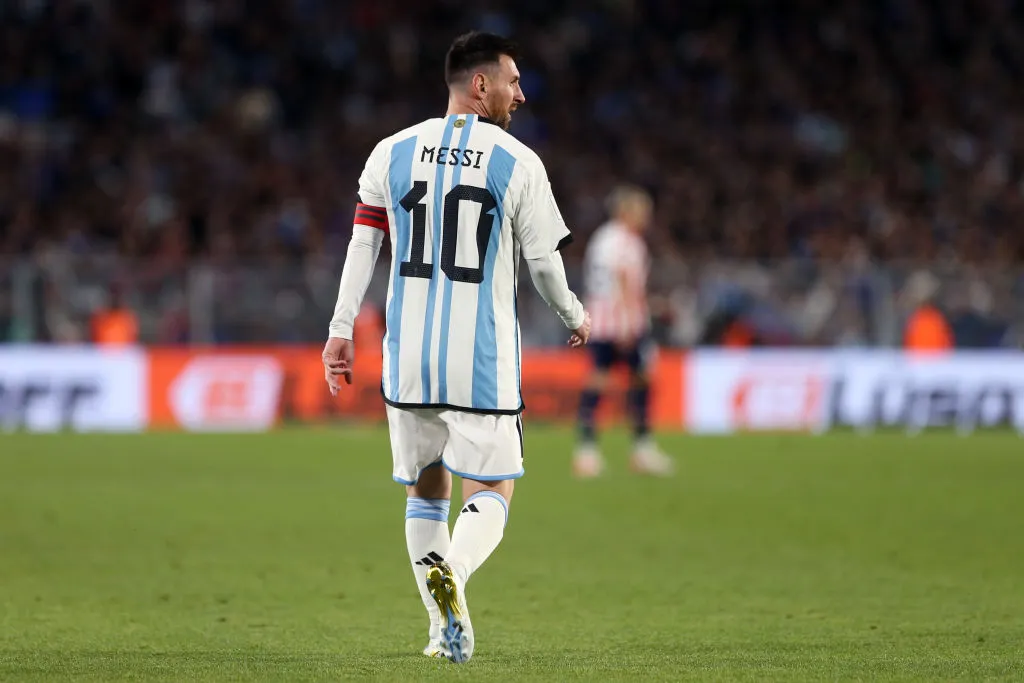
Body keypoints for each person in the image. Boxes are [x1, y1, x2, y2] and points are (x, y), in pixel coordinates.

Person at [321, 31, 591, 664]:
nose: (520, 95)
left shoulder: (390, 151)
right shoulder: (518, 162)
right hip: (480, 359)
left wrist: (339, 329)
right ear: (480, 84)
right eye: (513, 82)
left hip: (407, 356)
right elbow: (543, 265)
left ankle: (442, 631)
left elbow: (364, 244)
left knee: (424, 492)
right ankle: (456, 571)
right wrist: (575, 315)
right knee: (493, 487)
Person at [573, 185, 674, 477]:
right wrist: (629, 323)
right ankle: (642, 449)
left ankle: (586, 451)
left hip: (599, 318)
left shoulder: (601, 238)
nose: (646, 217)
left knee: (599, 377)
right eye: (642, 211)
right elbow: (624, 282)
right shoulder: (627, 242)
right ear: (626, 211)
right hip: (622, 322)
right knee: (640, 378)